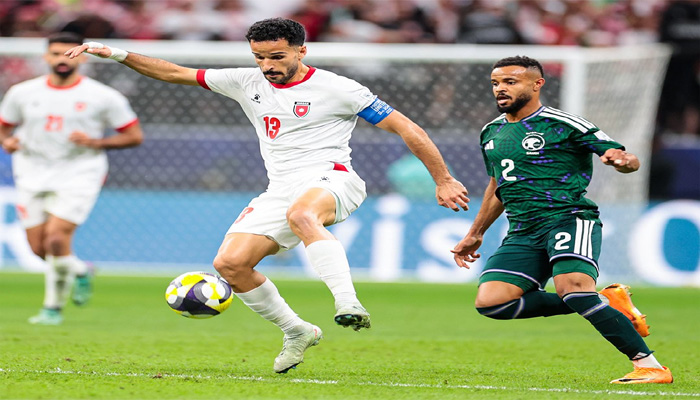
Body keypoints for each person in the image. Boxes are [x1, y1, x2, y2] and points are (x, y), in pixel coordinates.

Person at [65, 18, 470, 374]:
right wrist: (116, 54)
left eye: (277, 56)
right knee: (230, 264)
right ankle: (297, 331)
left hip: (334, 177)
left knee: (303, 215)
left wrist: (443, 179)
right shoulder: (247, 81)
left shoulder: (339, 88)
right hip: (280, 189)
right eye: (259, 57)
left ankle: (348, 303)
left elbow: (408, 128)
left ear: (301, 51)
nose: (267, 65)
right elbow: (174, 72)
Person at [451, 56, 673, 384]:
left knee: (573, 289)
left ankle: (649, 365)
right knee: (492, 303)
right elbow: (498, 185)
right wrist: (476, 232)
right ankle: (608, 302)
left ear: (537, 84)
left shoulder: (563, 123)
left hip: (567, 218)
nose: (500, 89)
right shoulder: (491, 132)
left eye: (510, 82)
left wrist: (622, 160)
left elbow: (626, 158)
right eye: (496, 83)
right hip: (523, 230)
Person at [0, 32, 144, 325]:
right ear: (46, 57)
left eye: (69, 53)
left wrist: (95, 142)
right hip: (31, 172)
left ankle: (52, 308)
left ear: (83, 58)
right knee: (39, 249)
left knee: (56, 239)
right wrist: (7, 142)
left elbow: (133, 136)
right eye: (56, 54)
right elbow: (4, 127)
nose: (62, 59)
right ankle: (79, 269)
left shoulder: (103, 96)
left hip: (80, 172)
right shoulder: (22, 92)